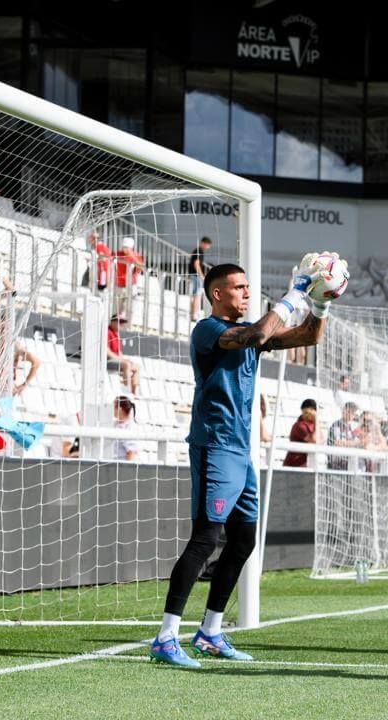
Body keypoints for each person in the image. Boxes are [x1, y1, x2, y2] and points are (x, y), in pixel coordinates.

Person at [150, 254, 337, 668]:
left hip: (240, 451)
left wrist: (321, 302)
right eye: (239, 287)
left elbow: (309, 336)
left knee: (243, 541)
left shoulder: (250, 332)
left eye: (249, 287)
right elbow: (256, 334)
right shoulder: (209, 330)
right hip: (215, 447)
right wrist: (295, 292)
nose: (247, 293)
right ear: (217, 294)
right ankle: (165, 637)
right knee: (205, 540)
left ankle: (210, 633)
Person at [106, 314, 140, 395]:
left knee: (137, 366)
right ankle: (127, 392)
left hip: (116, 361)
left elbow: (119, 352)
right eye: (119, 321)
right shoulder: (107, 332)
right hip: (107, 361)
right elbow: (106, 351)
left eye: (122, 322)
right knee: (126, 364)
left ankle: (134, 393)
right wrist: (121, 360)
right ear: (113, 322)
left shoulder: (116, 334)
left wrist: (123, 359)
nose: (122, 324)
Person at [113, 237, 145, 317]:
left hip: (131, 286)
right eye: (124, 247)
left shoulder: (136, 256)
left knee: (129, 309)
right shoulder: (118, 254)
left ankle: (127, 322)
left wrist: (132, 256)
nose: (125, 249)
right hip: (119, 285)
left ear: (131, 248)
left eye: (127, 247)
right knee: (116, 310)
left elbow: (142, 267)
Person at [326, 401, 362, 471]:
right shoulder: (336, 425)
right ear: (343, 410)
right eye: (348, 411)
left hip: (348, 465)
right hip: (335, 465)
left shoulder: (351, 427)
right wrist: (355, 443)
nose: (350, 414)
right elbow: (338, 443)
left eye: (353, 413)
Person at [283, 398, 317, 467]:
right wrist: (316, 421)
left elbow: (321, 440)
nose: (309, 414)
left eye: (312, 410)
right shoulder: (299, 425)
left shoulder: (313, 425)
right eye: (307, 412)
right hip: (293, 466)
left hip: (304, 466)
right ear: (302, 411)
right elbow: (314, 440)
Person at [189, 236, 212, 321]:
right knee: (197, 295)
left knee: (196, 294)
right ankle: (195, 315)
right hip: (196, 276)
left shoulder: (197, 250)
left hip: (194, 275)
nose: (208, 247)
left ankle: (193, 314)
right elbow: (196, 264)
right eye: (208, 245)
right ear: (203, 243)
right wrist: (201, 275)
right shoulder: (199, 251)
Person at [112, 395, 140, 461]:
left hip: (121, 464)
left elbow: (131, 453)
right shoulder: (114, 424)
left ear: (119, 409)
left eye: (113, 407)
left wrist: (127, 467)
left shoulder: (130, 427)